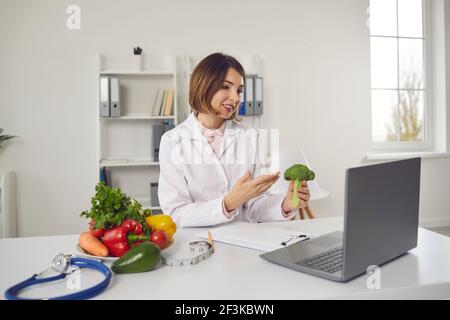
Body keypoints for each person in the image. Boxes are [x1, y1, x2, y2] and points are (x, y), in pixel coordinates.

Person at [158, 52, 310, 227]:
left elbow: (254, 206)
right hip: (199, 242)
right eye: (225, 86)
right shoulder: (172, 141)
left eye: (239, 90)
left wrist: (286, 204)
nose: (236, 98)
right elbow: (176, 213)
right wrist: (228, 203)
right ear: (203, 86)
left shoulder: (250, 137)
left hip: (243, 240)